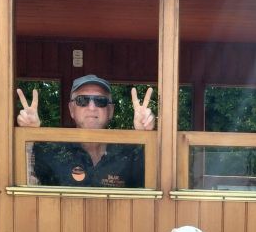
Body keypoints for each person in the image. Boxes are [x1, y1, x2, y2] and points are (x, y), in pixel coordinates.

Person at [17, 74, 155, 188]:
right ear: (71, 109)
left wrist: (144, 136)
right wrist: (29, 135)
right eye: (82, 100)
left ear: (111, 111)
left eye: (100, 101)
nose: (91, 107)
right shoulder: (54, 153)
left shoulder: (128, 155)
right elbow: (29, 181)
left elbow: (155, 185)